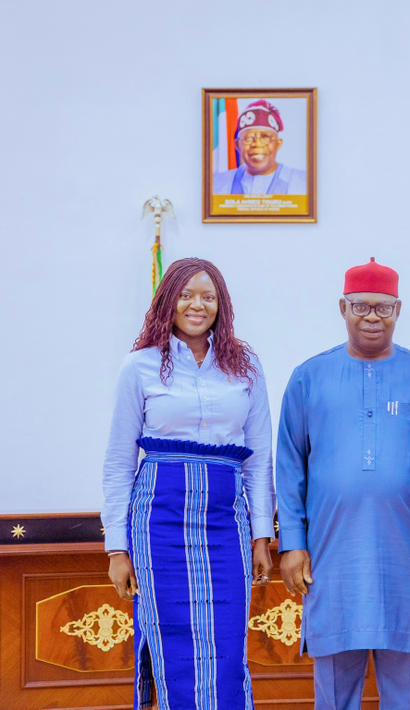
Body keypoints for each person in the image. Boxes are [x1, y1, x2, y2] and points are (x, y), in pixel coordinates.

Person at [276, 258, 410, 710]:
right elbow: (289, 465)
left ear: (399, 310)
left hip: (409, 560)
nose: (372, 317)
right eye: (361, 307)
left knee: (407, 689)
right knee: (334, 691)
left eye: (383, 308)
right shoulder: (308, 378)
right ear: (343, 307)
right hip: (332, 559)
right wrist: (292, 543)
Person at [101, 257, 274, 708]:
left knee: (228, 642)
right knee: (169, 639)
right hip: (159, 523)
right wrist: (117, 549)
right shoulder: (139, 367)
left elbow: (259, 462)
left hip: (225, 523)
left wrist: (261, 537)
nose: (198, 305)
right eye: (187, 295)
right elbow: (119, 462)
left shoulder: (245, 366)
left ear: (222, 305)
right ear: (168, 301)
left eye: (209, 296)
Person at [213, 99, 307, 195]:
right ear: (237, 145)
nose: (257, 143)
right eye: (249, 138)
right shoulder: (216, 183)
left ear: (278, 144)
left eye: (265, 137)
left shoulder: (304, 183)